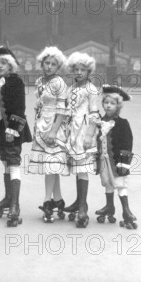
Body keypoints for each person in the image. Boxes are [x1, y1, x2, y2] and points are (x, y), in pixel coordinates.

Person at [0, 47, 32, 227]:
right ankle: (7, 198)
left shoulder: (15, 82)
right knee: (6, 162)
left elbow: (20, 108)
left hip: (13, 130)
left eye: (3, 63)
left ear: (10, 65)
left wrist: (12, 130)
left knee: (13, 163)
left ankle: (15, 205)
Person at [28, 46, 69, 223]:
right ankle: (58, 200)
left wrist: (53, 130)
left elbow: (63, 109)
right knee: (51, 165)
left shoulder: (59, 83)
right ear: (42, 63)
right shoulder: (40, 82)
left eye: (53, 64)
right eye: (47, 63)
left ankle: (47, 201)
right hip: (41, 126)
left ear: (58, 66)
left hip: (54, 127)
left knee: (51, 165)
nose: (50, 66)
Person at [61, 52, 100, 228]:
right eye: (75, 69)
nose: (78, 72)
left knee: (83, 167)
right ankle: (78, 201)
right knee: (76, 167)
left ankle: (83, 206)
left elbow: (94, 113)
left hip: (84, 131)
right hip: (73, 130)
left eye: (82, 69)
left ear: (88, 71)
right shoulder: (72, 88)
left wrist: (90, 134)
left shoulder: (91, 89)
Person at [95, 85, 137, 229]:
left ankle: (126, 212)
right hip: (104, 160)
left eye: (112, 103)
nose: (108, 105)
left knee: (120, 184)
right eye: (106, 102)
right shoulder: (100, 122)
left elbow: (127, 144)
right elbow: (98, 140)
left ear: (118, 106)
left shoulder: (123, 124)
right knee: (107, 183)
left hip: (118, 162)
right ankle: (109, 206)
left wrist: (124, 163)